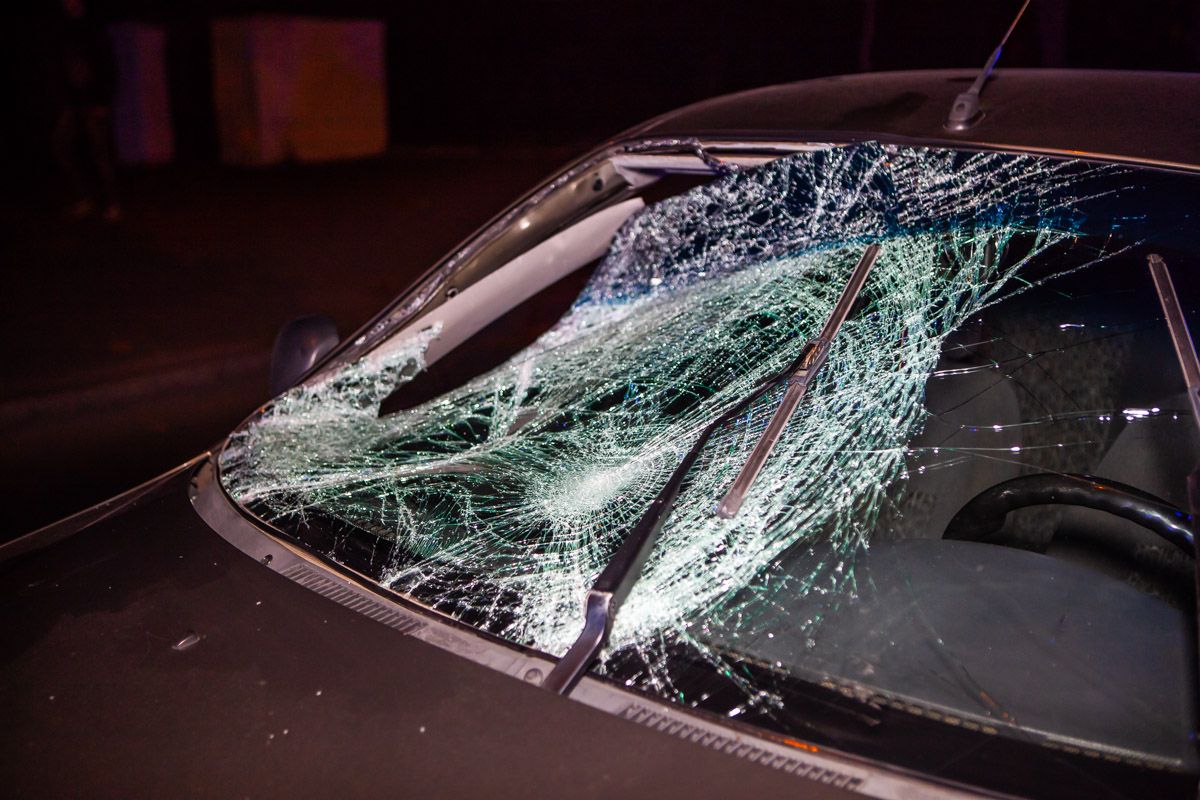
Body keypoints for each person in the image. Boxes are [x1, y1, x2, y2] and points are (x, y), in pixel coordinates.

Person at [52, 0, 120, 221]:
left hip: (93, 100)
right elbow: (63, 66)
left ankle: (111, 202)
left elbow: (108, 65)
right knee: (62, 146)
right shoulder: (62, 29)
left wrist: (103, 101)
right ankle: (85, 198)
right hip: (73, 101)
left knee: (99, 152)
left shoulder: (94, 27)